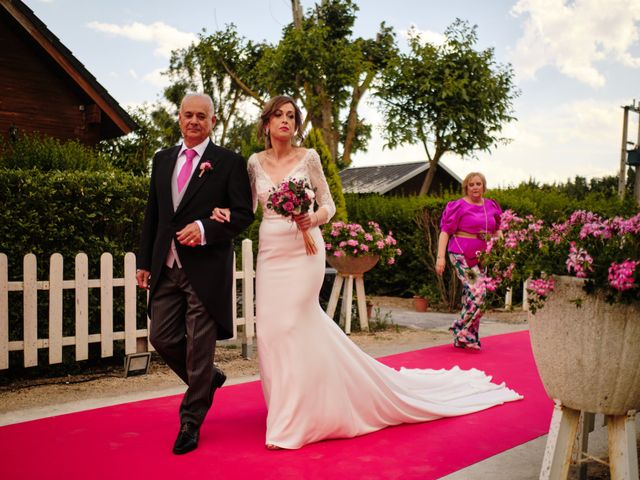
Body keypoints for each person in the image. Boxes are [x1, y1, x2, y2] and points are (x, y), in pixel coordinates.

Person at [212, 96, 521, 450]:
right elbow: (247, 208)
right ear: (266, 123)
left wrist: (312, 218)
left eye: (292, 116)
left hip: (305, 250)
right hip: (270, 252)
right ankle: (287, 403)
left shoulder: (309, 157)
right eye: (279, 115)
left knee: (294, 322)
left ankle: (292, 419)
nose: (286, 121)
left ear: (296, 125)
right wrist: (223, 212)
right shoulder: (254, 163)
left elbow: (327, 203)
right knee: (270, 330)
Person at [136, 93, 254, 455]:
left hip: (205, 271)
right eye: (188, 115)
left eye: (201, 116)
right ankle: (208, 381)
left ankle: (190, 422)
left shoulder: (229, 162)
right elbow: (154, 215)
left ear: (213, 121)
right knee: (161, 336)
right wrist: (144, 261)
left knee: (199, 350)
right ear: (179, 118)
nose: (194, 121)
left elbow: (243, 216)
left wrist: (204, 230)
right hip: (165, 266)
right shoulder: (162, 160)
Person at [435, 172, 502, 350]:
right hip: (462, 254)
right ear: (466, 187)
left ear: (483, 186)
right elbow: (445, 232)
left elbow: (497, 230)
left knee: (470, 295)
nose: (475, 187)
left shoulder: (491, 205)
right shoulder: (458, 206)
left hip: (482, 256)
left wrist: (501, 250)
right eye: (471, 184)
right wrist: (440, 258)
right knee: (479, 293)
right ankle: (459, 326)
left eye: (478, 184)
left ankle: (467, 338)